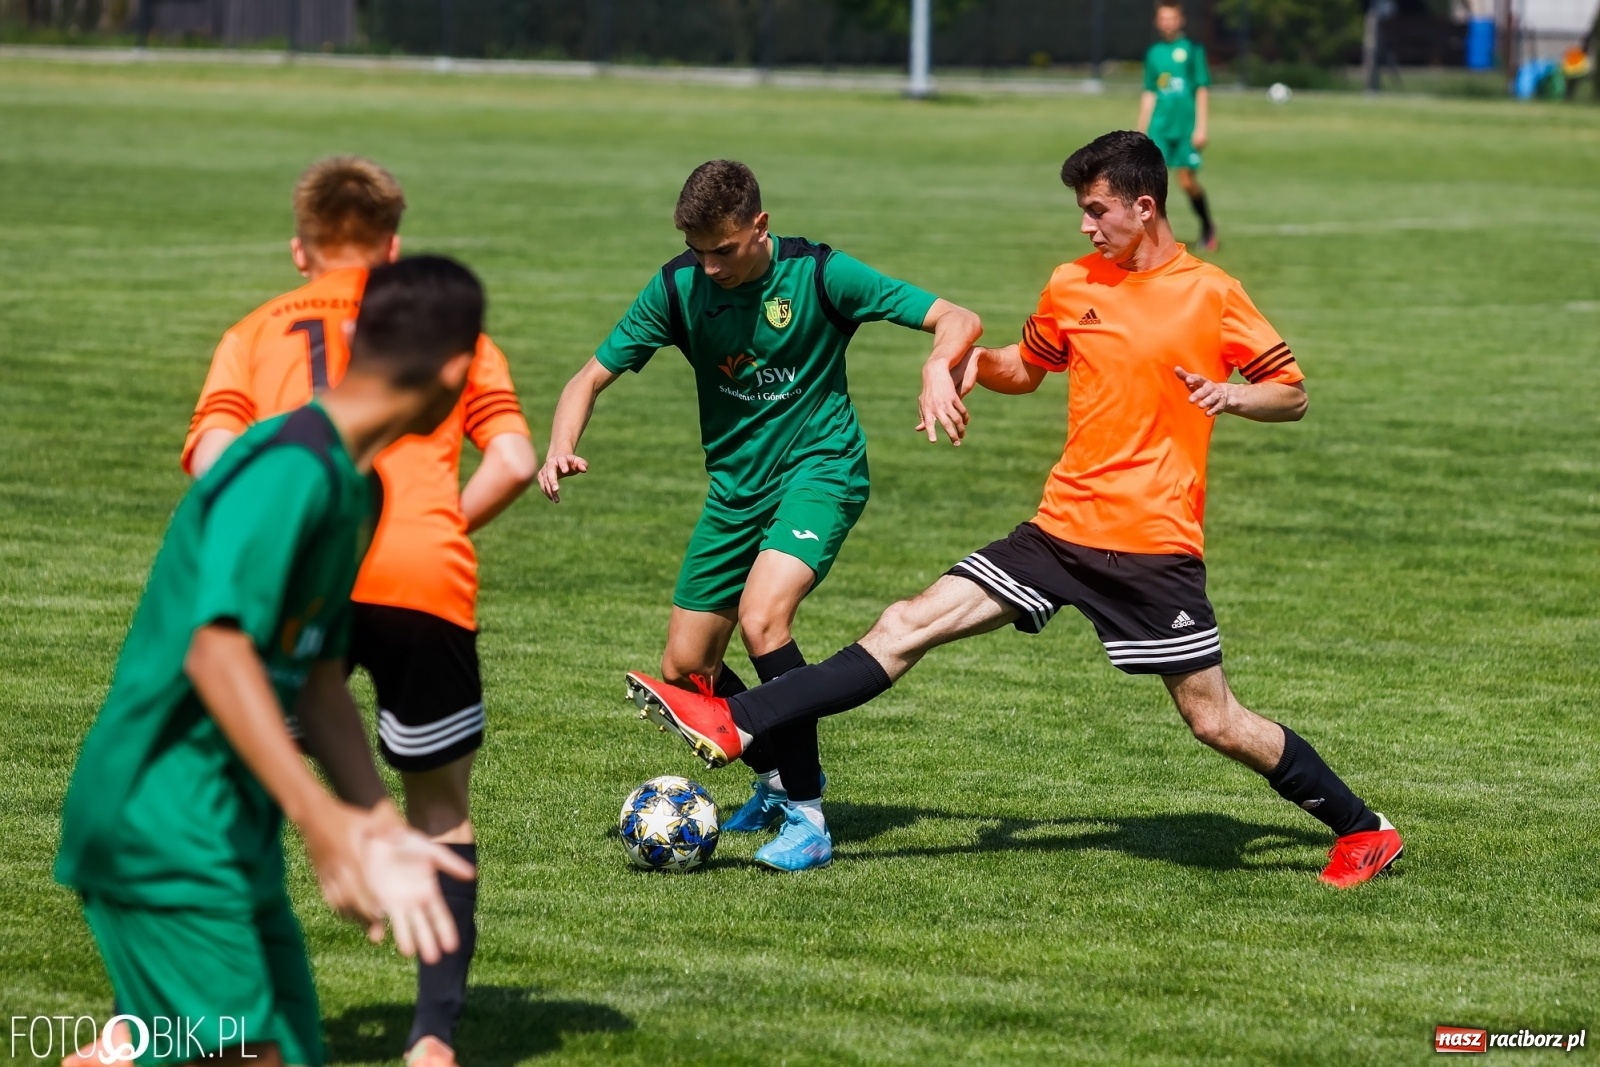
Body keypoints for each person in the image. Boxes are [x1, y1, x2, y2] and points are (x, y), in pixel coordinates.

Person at [624, 132, 1405, 890]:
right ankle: (740, 723)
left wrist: (1235, 393)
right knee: (905, 623)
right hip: (1058, 529)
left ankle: (1363, 827)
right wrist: (962, 363)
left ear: (1143, 205)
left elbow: (1291, 392)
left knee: (1215, 720)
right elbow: (1026, 367)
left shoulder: (1212, 294)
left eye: (1097, 210)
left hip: (1149, 548)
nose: (1085, 225)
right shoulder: (1074, 283)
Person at [54, 257, 487, 1067]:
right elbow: (216, 650)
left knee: (276, 1051)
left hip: (225, 822)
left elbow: (318, 678)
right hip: (160, 816)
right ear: (459, 372)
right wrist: (321, 823)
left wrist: (375, 822)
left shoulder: (358, 490)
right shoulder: (288, 469)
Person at [180, 157, 536, 1067]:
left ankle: (208, 1015)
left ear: (301, 248)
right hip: (423, 574)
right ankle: (430, 1040)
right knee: (440, 804)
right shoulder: (442, 326)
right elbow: (513, 457)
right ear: (393, 247)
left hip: (301, 577)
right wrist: (432, 526)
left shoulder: (255, 330)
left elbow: (213, 461)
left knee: (240, 793)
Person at [539, 160, 982, 872]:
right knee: (686, 669)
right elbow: (588, 377)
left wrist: (938, 364)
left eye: (723, 249)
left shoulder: (818, 275)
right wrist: (561, 444)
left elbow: (956, 318)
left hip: (821, 472)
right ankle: (777, 778)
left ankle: (808, 817)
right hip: (734, 492)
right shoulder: (678, 287)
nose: (709, 266)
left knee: (764, 617)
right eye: (697, 250)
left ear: (759, 226)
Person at [1137, 0, 1216, 251]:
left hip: (1185, 127)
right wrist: (1141, 128)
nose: (1167, 23)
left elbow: (1201, 88)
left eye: (1172, 18)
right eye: (1163, 18)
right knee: (1151, 182)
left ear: (1180, 21)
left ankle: (1207, 226)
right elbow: (1150, 92)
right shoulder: (1153, 54)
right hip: (1160, 126)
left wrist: (1201, 127)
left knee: (1186, 181)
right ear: (1157, 22)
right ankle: (1153, 239)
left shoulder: (1193, 50)